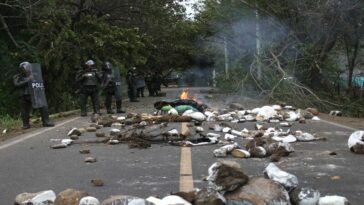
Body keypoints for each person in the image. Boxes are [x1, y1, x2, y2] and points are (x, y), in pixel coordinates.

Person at [13, 62, 54, 129]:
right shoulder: (17, 76)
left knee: (43, 106)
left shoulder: (34, 74)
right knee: (24, 110)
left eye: (28, 67)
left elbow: (39, 82)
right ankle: (25, 124)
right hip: (24, 95)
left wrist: (39, 87)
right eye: (25, 68)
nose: (26, 69)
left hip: (34, 94)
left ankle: (46, 121)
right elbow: (17, 84)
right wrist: (28, 80)